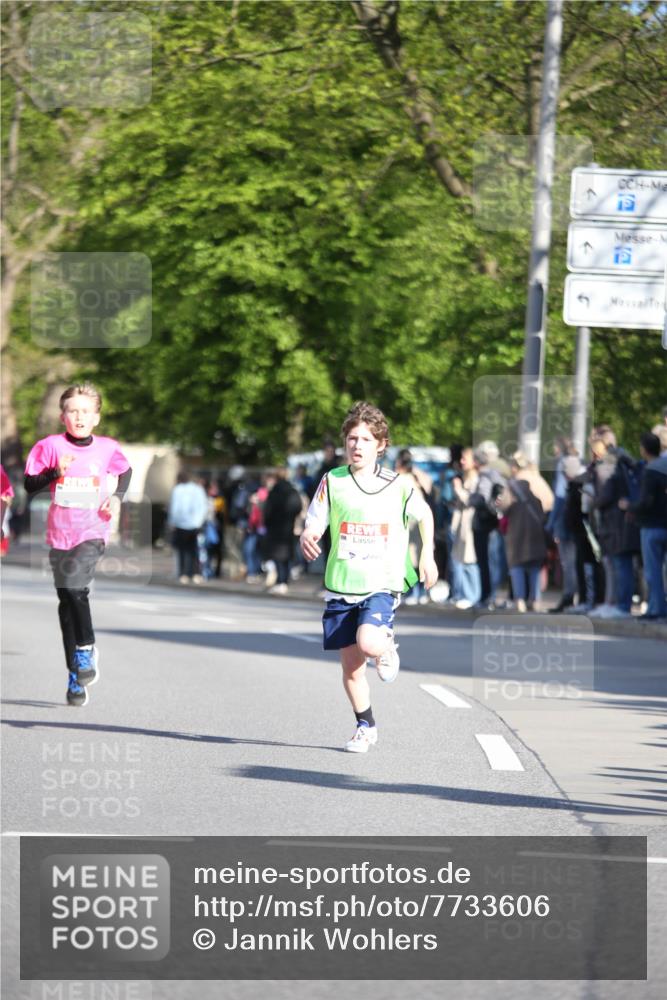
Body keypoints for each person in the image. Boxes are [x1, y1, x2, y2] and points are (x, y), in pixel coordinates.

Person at [300, 401, 438, 753]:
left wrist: (427, 554)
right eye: (352, 438)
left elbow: (424, 515)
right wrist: (308, 535)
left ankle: (385, 644)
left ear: (381, 445)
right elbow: (315, 520)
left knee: (369, 643)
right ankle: (365, 726)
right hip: (342, 583)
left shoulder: (398, 484)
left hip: (382, 581)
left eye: (365, 439)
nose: (357, 445)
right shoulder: (332, 480)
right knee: (352, 668)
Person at [23, 383, 131, 706]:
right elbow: (29, 485)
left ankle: (86, 649)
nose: (79, 417)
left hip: (92, 531)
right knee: (66, 603)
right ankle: (75, 673)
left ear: (96, 417)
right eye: (73, 411)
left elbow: (125, 472)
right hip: (60, 534)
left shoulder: (107, 448)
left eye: (86, 411)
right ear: (62, 416)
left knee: (74, 588)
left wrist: (116, 497)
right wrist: (55, 472)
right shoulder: (49, 446)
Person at [619, 432, 667, 619]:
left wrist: (629, 506)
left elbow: (646, 501)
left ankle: (656, 608)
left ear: (644, 449)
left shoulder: (650, 470)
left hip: (652, 525)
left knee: (652, 571)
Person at [496, 477, 548, 612]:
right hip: (536, 540)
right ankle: (535, 599)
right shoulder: (536, 501)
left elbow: (502, 514)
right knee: (534, 571)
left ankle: (520, 600)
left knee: (517, 570)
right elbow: (543, 519)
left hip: (516, 543)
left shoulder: (512, 503)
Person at [260, 468, 302, 594]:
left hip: (275, 527)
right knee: (287, 555)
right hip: (288, 526)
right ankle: (285, 581)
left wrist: (267, 522)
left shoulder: (275, 491)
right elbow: (298, 507)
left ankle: (280, 581)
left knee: (277, 556)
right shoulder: (292, 490)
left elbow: (268, 510)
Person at [449, 447, 481, 608]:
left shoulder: (475, 479)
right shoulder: (466, 477)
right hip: (462, 524)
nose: (461, 462)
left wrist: (458, 489)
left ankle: (472, 596)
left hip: (469, 524)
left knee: (469, 560)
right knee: (462, 558)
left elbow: (471, 500)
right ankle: (464, 594)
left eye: (464, 459)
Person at [167, 471, 209, 584]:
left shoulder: (177, 490)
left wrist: (172, 522)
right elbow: (203, 506)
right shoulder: (198, 489)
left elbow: (174, 507)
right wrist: (200, 521)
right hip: (195, 524)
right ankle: (195, 573)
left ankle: (183, 574)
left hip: (180, 524)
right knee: (194, 550)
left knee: (182, 550)